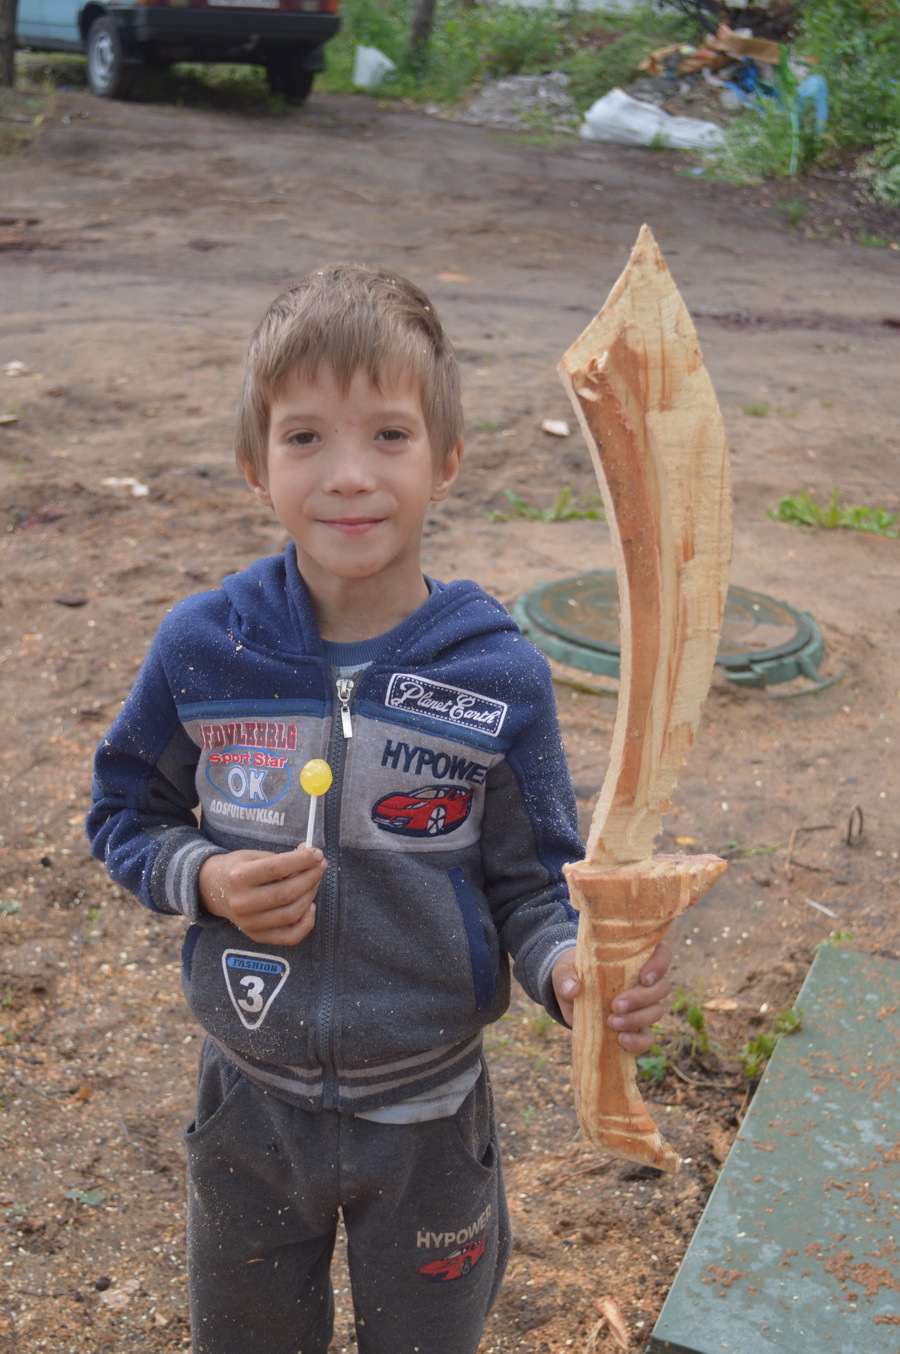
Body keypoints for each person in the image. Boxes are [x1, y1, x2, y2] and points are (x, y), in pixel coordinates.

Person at [87, 263, 671, 1354]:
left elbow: (537, 886)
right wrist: (206, 877)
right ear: (256, 466)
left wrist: (575, 974)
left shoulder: (499, 678)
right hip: (249, 1107)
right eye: (306, 437)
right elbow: (124, 815)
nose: (349, 476)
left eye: (389, 437)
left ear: (446, 459)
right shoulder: (205, 651)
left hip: (432, 1121)